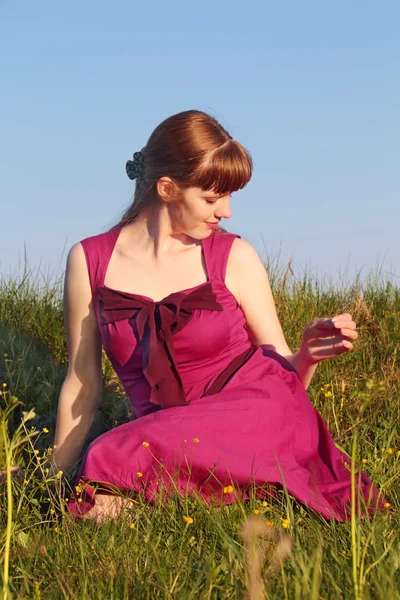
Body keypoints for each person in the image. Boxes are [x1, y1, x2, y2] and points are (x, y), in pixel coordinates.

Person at [3, 110, 385, 523]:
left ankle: (205, 486)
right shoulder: (89, 259)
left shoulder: (234, 256)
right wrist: (58, 474)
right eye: (211, 197)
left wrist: (307, 356)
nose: (227, 211)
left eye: (229, 196)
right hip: (167, 439)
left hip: (256, 414)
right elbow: (82, 383)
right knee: (99, 509)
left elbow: (286, 381)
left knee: (106, 452)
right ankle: (222, 497)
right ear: (167, 188)